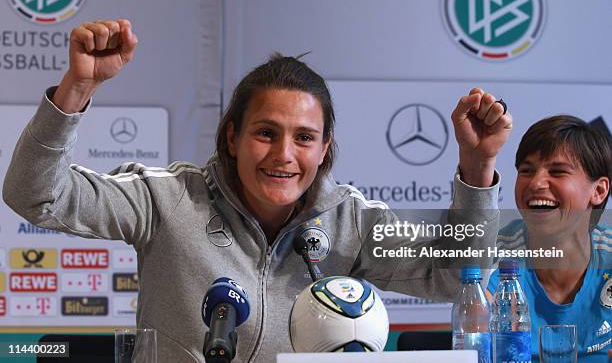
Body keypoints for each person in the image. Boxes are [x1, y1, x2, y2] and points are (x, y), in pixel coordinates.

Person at [3, 19, 512, 362]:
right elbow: (34, 195)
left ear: (325, 147)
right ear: (233, 136)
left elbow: (456, 278)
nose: (283, 155)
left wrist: (478, 164)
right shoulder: (166, 199)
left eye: (304, 138)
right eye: (266, 133)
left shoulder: (349, 221)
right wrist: (76, 88)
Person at [486, 115, 611, 361]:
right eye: (526, 170)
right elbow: (475, 340)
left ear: (598, 191)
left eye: (558, 171)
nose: (536, 182)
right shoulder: (493, 253)